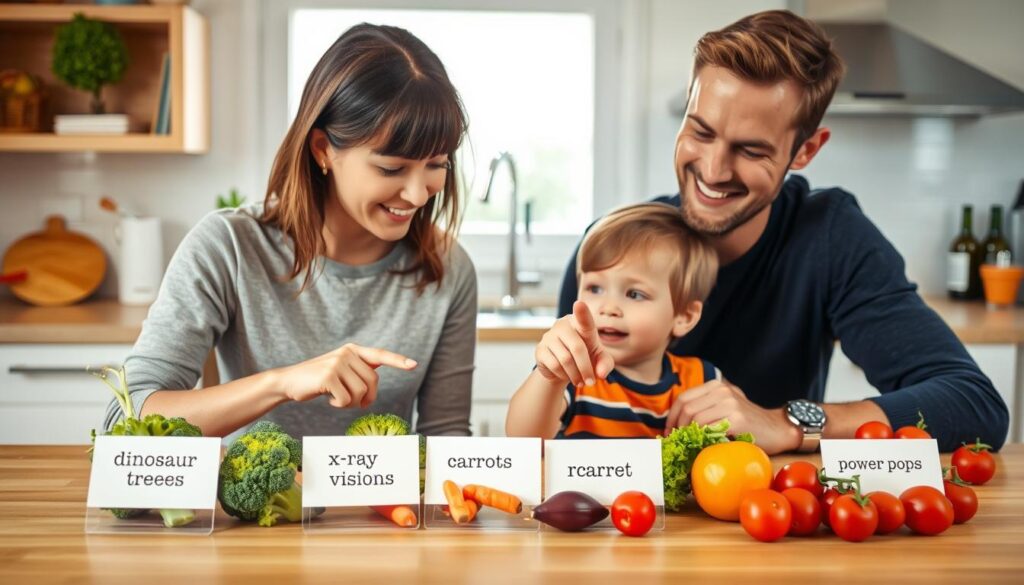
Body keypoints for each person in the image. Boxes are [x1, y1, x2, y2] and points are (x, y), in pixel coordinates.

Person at [556, 10, 1009, 453]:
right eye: (700, 131)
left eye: (751, 150)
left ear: (805, 151)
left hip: (778, 516)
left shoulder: (831, 237)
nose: (713, 170)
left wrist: (788, 422)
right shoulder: (613, 250)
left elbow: (974, 405)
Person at [104, 24, 476, 439]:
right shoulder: (228, 247)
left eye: (437, 165)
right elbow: (128, 416)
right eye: (391, 168)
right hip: (255, 507)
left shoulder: (447, 267)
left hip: (378, 506)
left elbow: (447, 436)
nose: (417, 193)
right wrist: (281, 383)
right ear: (323, 150)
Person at [506, 203, 718, 438]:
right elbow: (523, 439)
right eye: (594, 288)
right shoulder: (573, 373)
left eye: (634, 294)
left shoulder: (702, 381)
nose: (608, 308)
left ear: (684, 317)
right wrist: (550, 378)